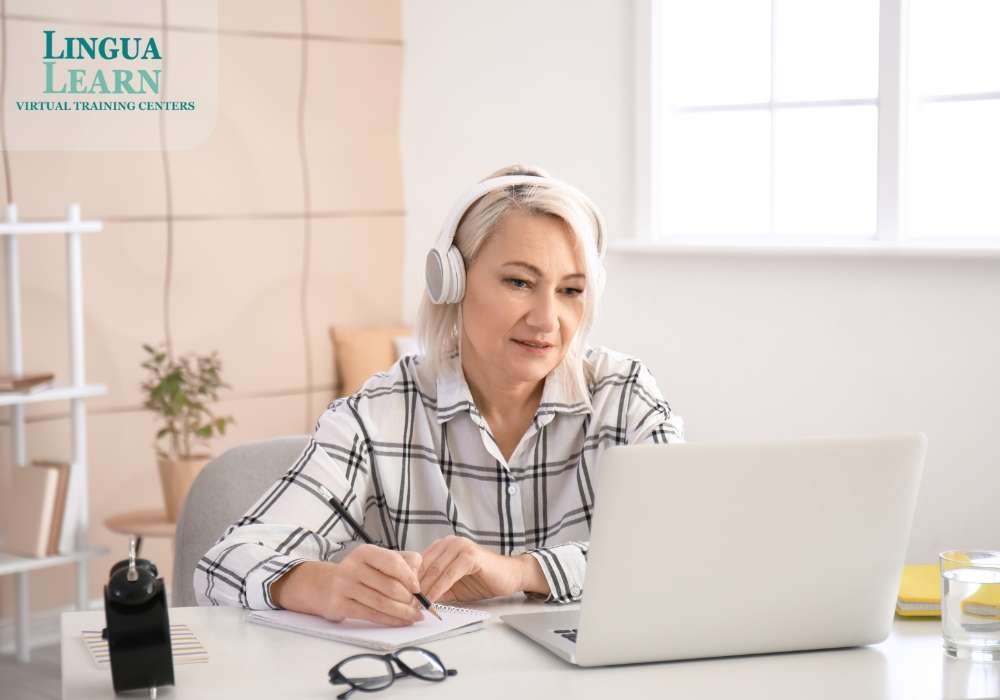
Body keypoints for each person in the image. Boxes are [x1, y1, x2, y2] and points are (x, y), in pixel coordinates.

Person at [194, 164, 685, 627]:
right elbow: (223, 565)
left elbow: (679, 554)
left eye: (570, 291)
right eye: (519, 281)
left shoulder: (624, 399)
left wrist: (519, 572)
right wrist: (325, 585)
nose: (546, 319)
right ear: (450, 280)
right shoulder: (378, 416)